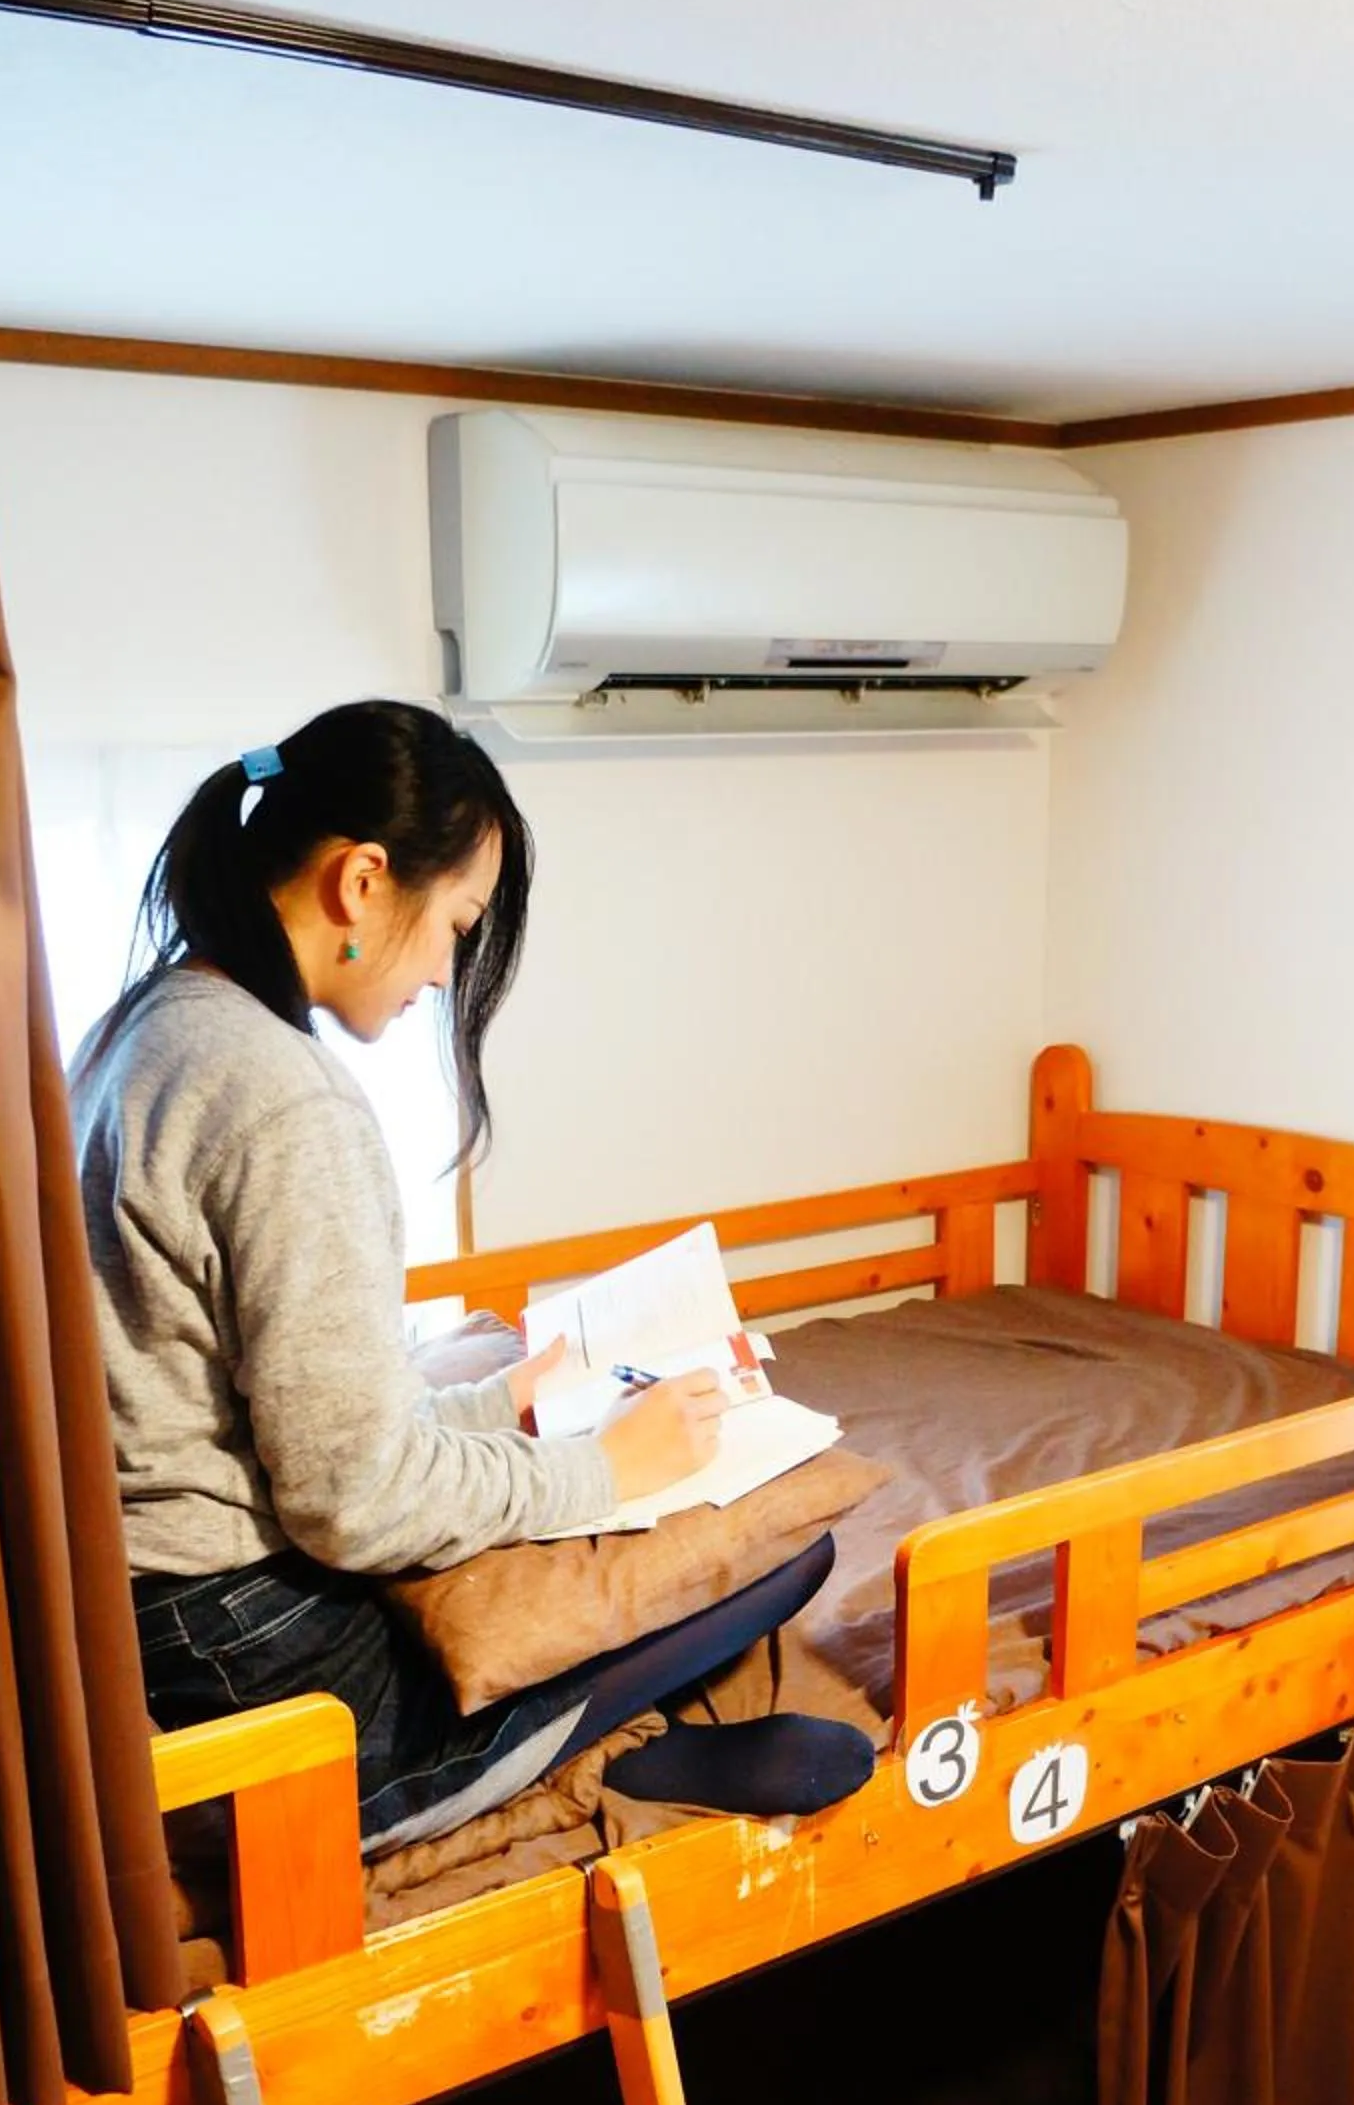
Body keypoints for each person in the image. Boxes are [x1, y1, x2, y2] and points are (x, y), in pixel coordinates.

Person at [70, 698, 872, 1851]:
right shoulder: (282, 1100)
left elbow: (252, 1409)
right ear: (360, 883)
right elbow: (354, 1502)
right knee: (782, 1564)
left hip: (160, 1624)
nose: (448, 973)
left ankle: (602, 1748)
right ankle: (583, 1753)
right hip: (256, 1662)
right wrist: (603, 1470)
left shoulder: (145, 1028)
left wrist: (501, 1404)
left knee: (632, 1542)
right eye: (456, 923)